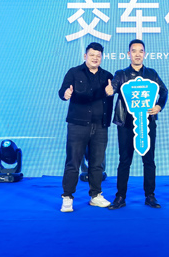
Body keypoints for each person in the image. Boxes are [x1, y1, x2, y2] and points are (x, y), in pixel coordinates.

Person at [105, 39, 168, 209]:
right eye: (134, 51)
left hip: (147, 123)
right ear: (128, 54)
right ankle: (120, 197)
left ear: (145, 54)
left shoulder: (152, 74)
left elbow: (164, 91)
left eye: (141, 51)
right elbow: (114, 87)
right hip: (126, 123)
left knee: (149, 160)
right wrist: (110, 91)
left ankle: (150, 196)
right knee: (124, 160)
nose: (137, 54)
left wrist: (159, 106)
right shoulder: (121, 74)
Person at [58, 42, 114, 212]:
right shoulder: (74, 72)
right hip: (78, 125)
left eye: (98, 55)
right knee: (73, 163)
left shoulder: (107, 76)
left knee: (97, 164)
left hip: (100, 126)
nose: (95, 58)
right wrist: (65, 94)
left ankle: (95, 195)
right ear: (85, 56)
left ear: (102, 57)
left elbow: (112, 97)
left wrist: (111, 92)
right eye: (92, 55)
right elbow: (62, 91)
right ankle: (67, 197)